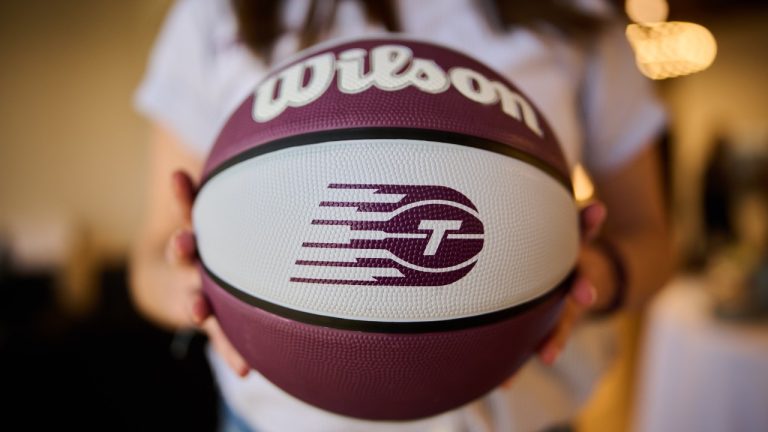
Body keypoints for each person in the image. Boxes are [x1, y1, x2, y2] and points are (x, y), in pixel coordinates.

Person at [130, 0, 672, 430]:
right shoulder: (216, 11)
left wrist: (591, 277)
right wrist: (204, 287)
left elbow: (652, 238)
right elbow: (151, 263)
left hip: (529, 418)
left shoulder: (578, 10)